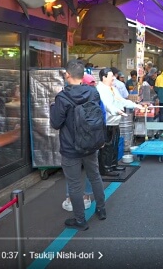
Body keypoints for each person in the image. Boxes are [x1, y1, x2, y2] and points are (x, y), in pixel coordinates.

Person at [49, 60, 107, 230]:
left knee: (74, 184)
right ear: (83, 75)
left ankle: (80, 219)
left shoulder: (62, 97)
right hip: (91, 142)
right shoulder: (93, 93)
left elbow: (55, 123)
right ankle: (101, 209)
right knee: (94, 175)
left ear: (67, 75)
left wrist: (54, 107)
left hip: (71, 147)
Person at [97, 68, 142, 175]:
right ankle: (106, 168)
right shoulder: (101, 89)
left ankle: (113, 165)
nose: (113, 78)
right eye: (111, 76)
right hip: (107, 123)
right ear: (103, 77)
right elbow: (107, 105)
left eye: (113, 76)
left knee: (114, 144)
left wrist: (135, 105)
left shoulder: (112, 88)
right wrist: (117, 111)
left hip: (115, 121)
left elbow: (121, 100)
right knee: (107, 147)